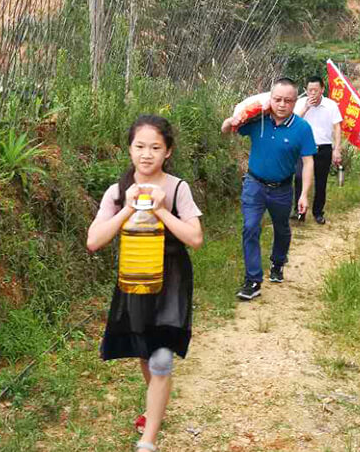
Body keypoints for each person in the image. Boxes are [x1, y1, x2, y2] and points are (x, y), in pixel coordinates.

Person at [87, 115, 203, 452]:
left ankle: (148, 440)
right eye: (140, 146)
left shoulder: (178, 188)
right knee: (145, 351)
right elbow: (94, 241)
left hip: (172, 279)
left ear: (168, 151)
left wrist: (162, 210)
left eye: (155, 147)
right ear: (129, 149)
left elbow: (195, 238)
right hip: (135, 279)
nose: (146, 154)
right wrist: (127, 208)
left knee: (161, 358)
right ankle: (156, 404)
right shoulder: (117, 191)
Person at [221, 78, 316, 298]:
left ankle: (278, 262)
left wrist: (303, 195)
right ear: (270, 98)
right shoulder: (258, 121)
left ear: (295, 102)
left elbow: (308, 162)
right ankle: (253, 281)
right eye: (277, 99)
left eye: (288, 101)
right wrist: (229, 121)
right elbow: (228, 130)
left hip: (282, 189)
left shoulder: (302, 128)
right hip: (254, 185)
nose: (282, 104)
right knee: (250, 227)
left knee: (282, 228)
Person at [292, 75, 343, 224]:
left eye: (316, 90)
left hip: (324, 147)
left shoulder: (331, 105)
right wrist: (306, 108)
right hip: (303, 148)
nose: (312, 93)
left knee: (321, 181)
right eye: (310, 90)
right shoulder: (300, 103)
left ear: (322, 89)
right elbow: (292, 122)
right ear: (305, 90)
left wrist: (337, 148)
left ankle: (318, 212)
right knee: (299, 177)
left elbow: (337, 127)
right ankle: (299, 211)